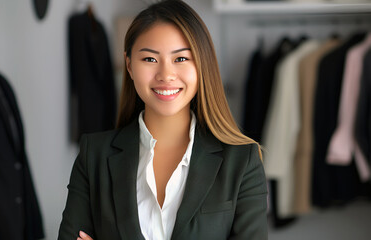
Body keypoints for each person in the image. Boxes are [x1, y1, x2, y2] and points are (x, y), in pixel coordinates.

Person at [58, 1, 268, 239]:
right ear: (129, 65)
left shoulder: (242, 162)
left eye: (180, 59)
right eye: (150, 59)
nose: (166, 75)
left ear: (202, 64)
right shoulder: (93, 156)